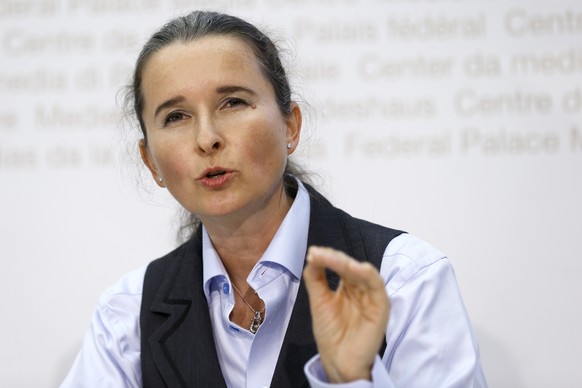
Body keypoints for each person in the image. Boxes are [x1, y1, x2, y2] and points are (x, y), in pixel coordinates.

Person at [61, 10, 487, 388]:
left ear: (290, 127)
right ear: (150, 161)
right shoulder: (128, 314)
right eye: (176, 116)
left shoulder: (403, 280)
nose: (207, 138)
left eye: (232, 102)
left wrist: (351, 380)